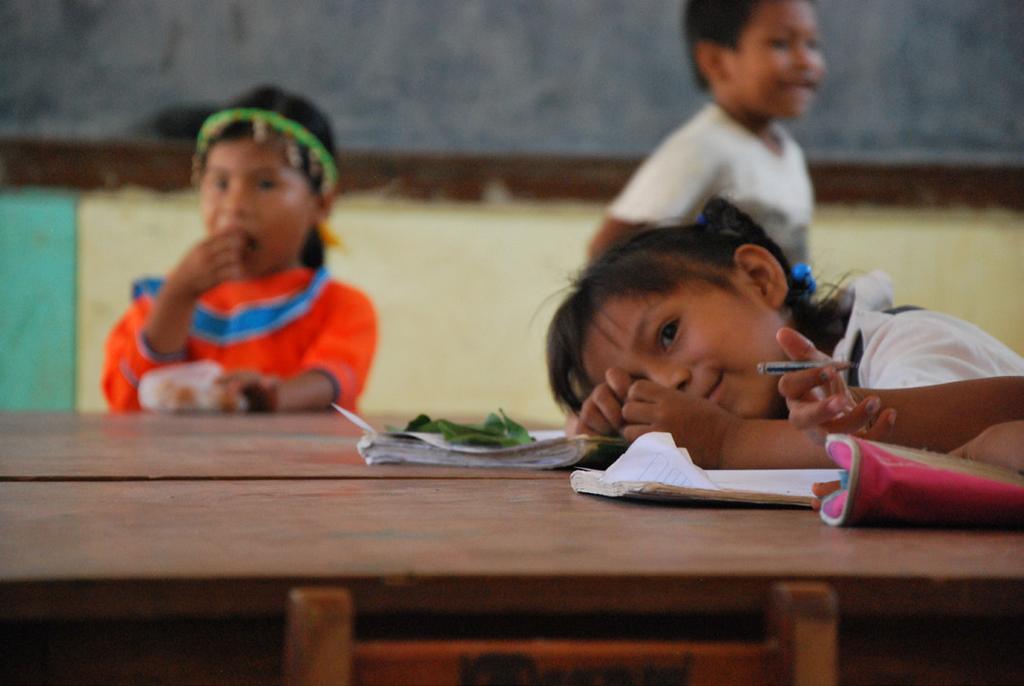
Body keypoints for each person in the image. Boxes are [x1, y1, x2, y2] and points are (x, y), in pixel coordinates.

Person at [547, 197, 1024, 469]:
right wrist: (609, 441)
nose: (668, 384)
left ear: (759, 279)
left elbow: (959, 445)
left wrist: (728, 443)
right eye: (638, 383)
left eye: (668, 334)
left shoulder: (905, 344)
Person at [103, 86, 377, 413]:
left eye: (264, 184)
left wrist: (270, 397)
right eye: (220, 183)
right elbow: (129, 403)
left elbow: (333, 381)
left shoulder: (339, 306)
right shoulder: (160, 302)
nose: (234, 206)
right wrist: (178, 295)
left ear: (321, 203)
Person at [588, 0, 824, 263]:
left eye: (812, 44)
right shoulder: (702, 148)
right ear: (715, 61)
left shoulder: (789, 152)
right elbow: (608, 249)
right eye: (780, 43)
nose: (806, 61)